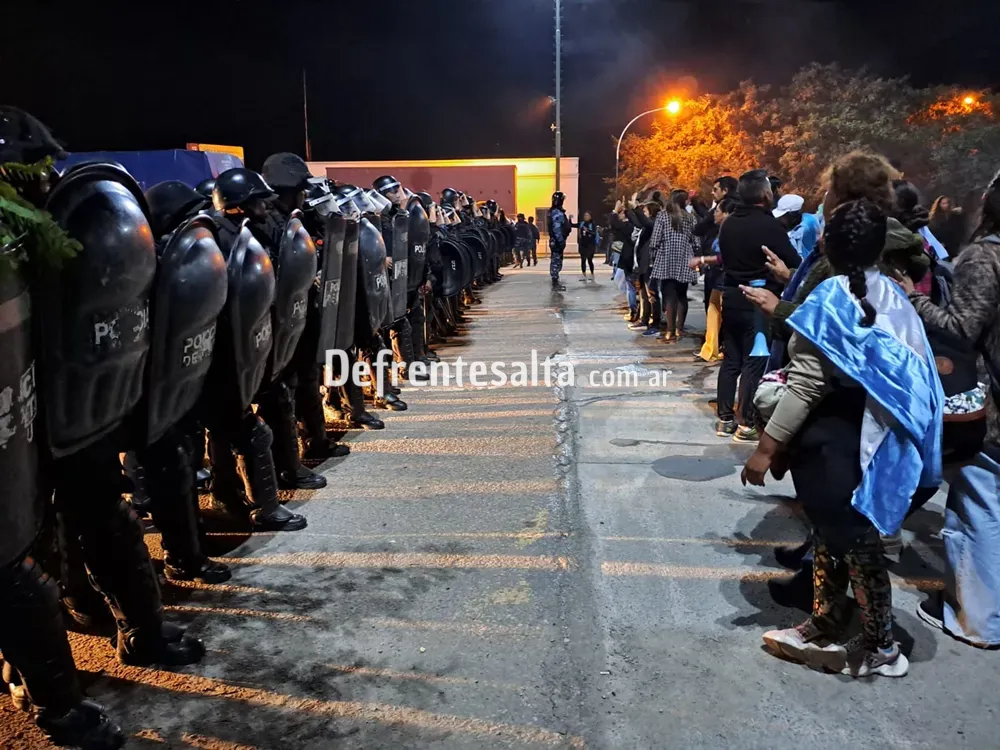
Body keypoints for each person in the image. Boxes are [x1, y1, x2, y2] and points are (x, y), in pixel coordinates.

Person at [744, 198, 942, 678]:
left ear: (829, 245)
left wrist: (765, 450)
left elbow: (808, 384)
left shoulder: (831, 297)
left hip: (840, 441)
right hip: (883, 441)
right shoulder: (893, 296)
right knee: (835, 538)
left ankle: (881, 647)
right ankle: (825, 622)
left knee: (854, 543)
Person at [899, 168, 1000, 648]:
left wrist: (911, 302)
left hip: (993, 410)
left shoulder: (985, 257)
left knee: (978, 507)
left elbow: (961, 328)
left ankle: (978, 621)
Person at [716, 170, 801, 441]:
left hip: (730, 295)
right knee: (755, 361)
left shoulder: (728, 224)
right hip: (759, 300)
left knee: (731, 359)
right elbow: (794, 261)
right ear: (766, 195)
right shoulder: (769, 226)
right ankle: (747, 422)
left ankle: (725, 418)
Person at [689, 196, 738, 362]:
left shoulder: (730, 231)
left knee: (724, 314)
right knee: (713, 311)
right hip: (718, 277)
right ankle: (711, 348)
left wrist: (702, 260)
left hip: (726, 278)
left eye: (716, 211)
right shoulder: (721, 230)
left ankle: (725, 349)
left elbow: (723, 257)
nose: (713, 215)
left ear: (726, 213)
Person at [649, 189, 699, 342]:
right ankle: (680, 329)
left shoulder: (662, 216)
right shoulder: (691, 218)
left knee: (669, 295)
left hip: (666, 259)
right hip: (685, 259)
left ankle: (669, 332)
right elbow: (696, 241)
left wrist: (653, 257)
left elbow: (655, 240)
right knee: (682, 296)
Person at [626, 196, 661, 334]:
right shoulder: (646, 225)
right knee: (643, 294)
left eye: (645, 211)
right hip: (642, 264)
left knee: (652, 294)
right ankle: (644, 319)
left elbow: (645, 222)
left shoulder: (654, 224)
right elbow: (638, 222)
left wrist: (635, 208)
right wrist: (630, 210)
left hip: (649, 264)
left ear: (651, 213)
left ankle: (655, 323)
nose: (644, 214)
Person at [773, 194, 821, 259]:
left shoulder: (803, 229)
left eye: (783, 217)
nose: (780, 219)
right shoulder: (812, 218)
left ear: (793, 216)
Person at [547, 191, 570, 290]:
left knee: (556, 260)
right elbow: (557, 229)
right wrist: (561, 241)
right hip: (557, 241)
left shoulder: (554, 211)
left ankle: (555, 281)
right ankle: (555, 283)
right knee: (556, 261)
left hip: (555, 240)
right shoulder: (556, 212)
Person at [576, 210, 598, 277]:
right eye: (585, 215)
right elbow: (572, 225)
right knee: (583, 259)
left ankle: (592, 273)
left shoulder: (593, 224)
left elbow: (594, 233)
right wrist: (570, 219)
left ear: (590, 216)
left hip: (590, 245)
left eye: (587, 215)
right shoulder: (582, 223)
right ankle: (584, 274)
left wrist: (587, 230)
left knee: (589, 259)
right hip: (583, 244)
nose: (586, 217)